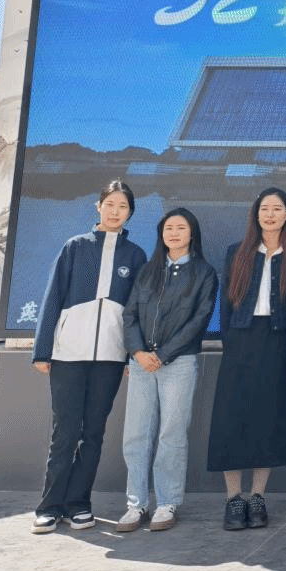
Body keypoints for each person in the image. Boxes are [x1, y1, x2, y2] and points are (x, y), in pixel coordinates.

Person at [30, 180, 147, 534]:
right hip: (68, 355)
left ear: (130, 213)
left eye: (122, 206)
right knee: (65, 432)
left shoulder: (135, 255)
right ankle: (49, 506)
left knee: (93, 433)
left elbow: (137, 311)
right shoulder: (75, 247)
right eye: (110, 204)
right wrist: (43, 350)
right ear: (98, 206)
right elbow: (52, 297)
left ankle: (79, 504)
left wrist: (132, 354)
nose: (115, 211)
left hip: (110, 358)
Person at [207, 187, 286, 530]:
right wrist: (229, 339)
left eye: (277, 208)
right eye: (265, 208)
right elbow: (225, 301)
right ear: (256, 214)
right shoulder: (237, 252)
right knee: (231, 418)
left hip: (279, 343)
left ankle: (257, 496)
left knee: (269, 418)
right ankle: (233, 498)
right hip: (240, 340)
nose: (270, 214)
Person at [117, 207, 218, 533]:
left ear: (192, 234)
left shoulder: (204, 273)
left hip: (178, 363)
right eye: (168, 228)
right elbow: (129, 315)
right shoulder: (148, 271)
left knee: (171, 435)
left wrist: (163, 355)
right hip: (141, 363)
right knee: (136, 435)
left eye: (181, 228)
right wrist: (138, 352)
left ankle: (167, 502)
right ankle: (136, 504)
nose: (174, 233)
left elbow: (199, 319)